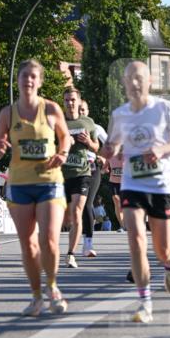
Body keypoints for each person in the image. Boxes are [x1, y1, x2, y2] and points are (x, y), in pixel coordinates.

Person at [102, 61, 170, 324]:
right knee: (136, 239)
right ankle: (145, 302)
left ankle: (169, 265)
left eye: (139, 77)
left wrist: (162, 150)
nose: (135, 82)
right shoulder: (120, 114)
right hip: (133, 184)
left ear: (149, 81)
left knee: (162, 249)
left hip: (162, 186)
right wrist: (106, 149)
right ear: (125, 83)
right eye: (130, 78)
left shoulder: (163, 108)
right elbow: (113, 146)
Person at [0, 58, 72, 316]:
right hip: (20, 183)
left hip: (49, 180)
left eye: (32, 76)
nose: (28, 80)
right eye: (23, 75)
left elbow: (65, 137)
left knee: (48, 239)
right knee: (27, 243)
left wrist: (63, 153)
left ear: (40, 81)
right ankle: (36, 295)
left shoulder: (51, 109)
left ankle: (53, 288)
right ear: (17, 80)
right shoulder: (7, 113)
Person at [61, 87, 99, 268]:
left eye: (73, 100)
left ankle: (70, 254)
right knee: (64, 217)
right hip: (60, 175)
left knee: (77, 212)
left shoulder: (88, 122)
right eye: (67, 100)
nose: (70, 103)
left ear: (78, 101)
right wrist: (63, 144)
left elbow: (96, 147)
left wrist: (87, 142)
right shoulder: (57, 122)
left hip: (82, 174)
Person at [79, 98, 108, 258]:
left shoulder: (95, 128)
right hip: (72, 170)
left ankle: (87, 243)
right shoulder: (70, 126)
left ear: (88, 111)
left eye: (84, 109)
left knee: (87, 204)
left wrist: (102, 157)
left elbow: (109, 144)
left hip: (92, 167)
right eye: (79, 109)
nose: (81, 112)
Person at [106, 153, 124, 231]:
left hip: (126, 183)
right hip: (114, 182)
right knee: (117, 201)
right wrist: (104, 169)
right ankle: (123, 226)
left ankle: (127, 224)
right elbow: (105, 167)